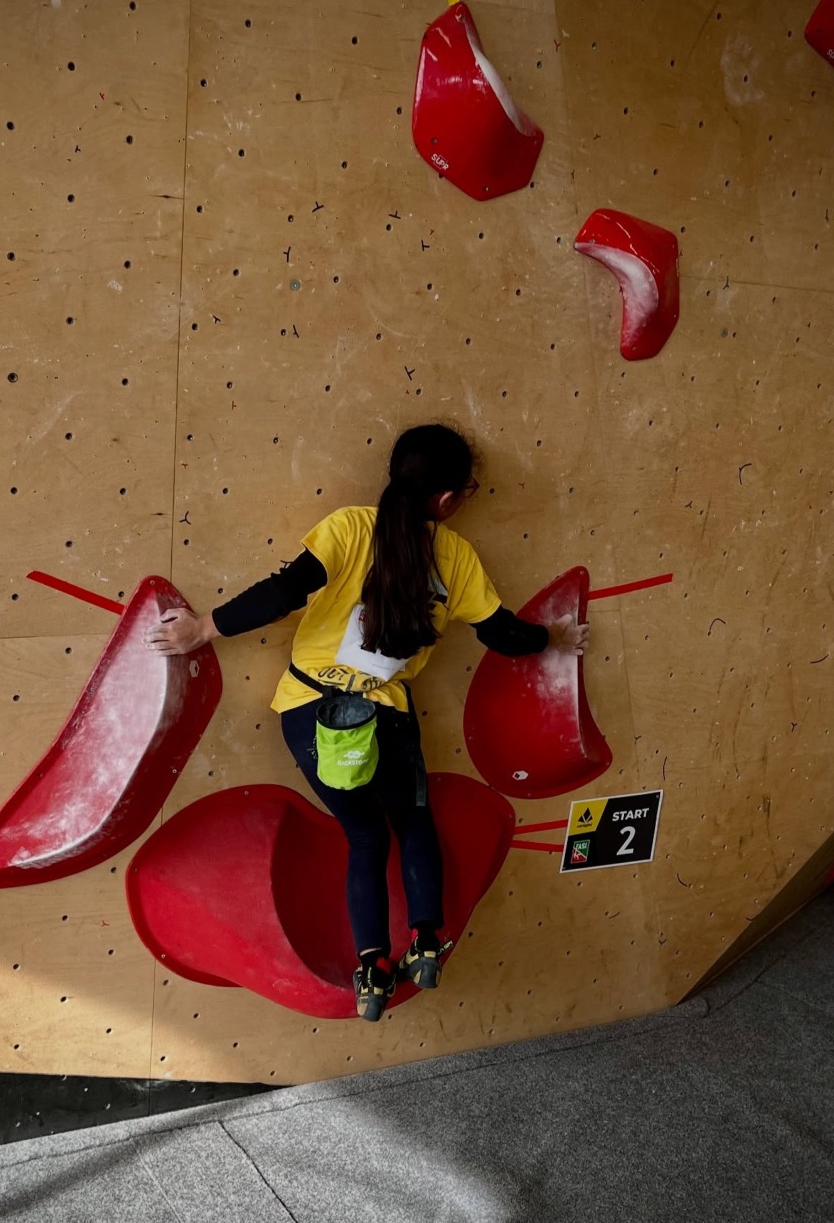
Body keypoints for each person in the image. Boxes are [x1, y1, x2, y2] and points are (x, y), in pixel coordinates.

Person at [145, 423, 588, 1022]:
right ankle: (426, 942)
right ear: (448, 501)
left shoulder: (350, 528)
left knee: (364, 838)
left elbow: (283, 592)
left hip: (312, 716)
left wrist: (200, 630)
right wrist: (553, 638)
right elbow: (503, 635)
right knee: (413, 826)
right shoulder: (455, 558)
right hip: (390, 719)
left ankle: (372, 972)